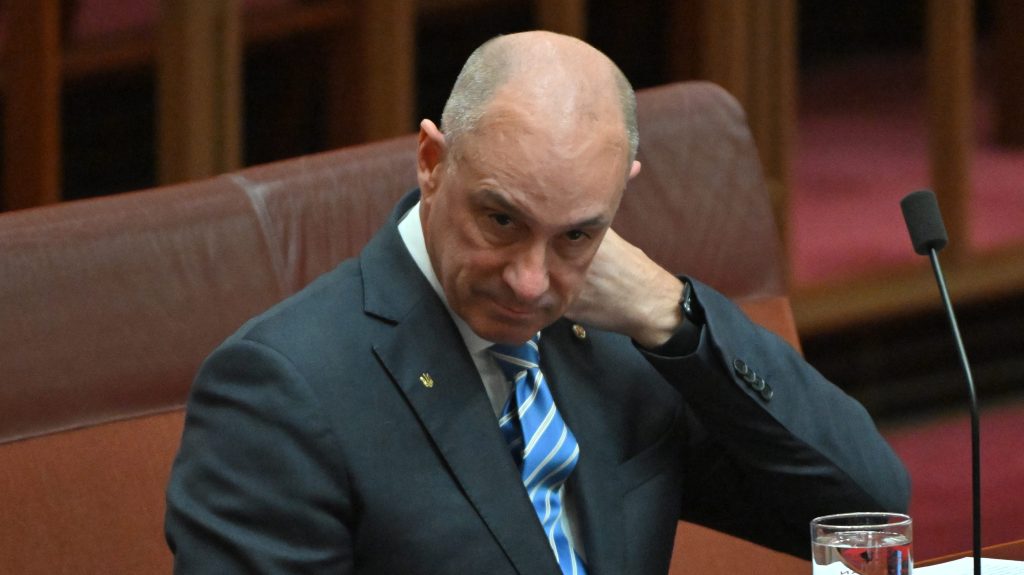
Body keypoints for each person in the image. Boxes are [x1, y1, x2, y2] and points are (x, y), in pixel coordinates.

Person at [165, 31, 909, 574]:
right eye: (501, 220)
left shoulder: (620, 336)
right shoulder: (282, 390)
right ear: (432, 160)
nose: (530, 281)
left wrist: (670, 314)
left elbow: (867, 513)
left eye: (577, 235)